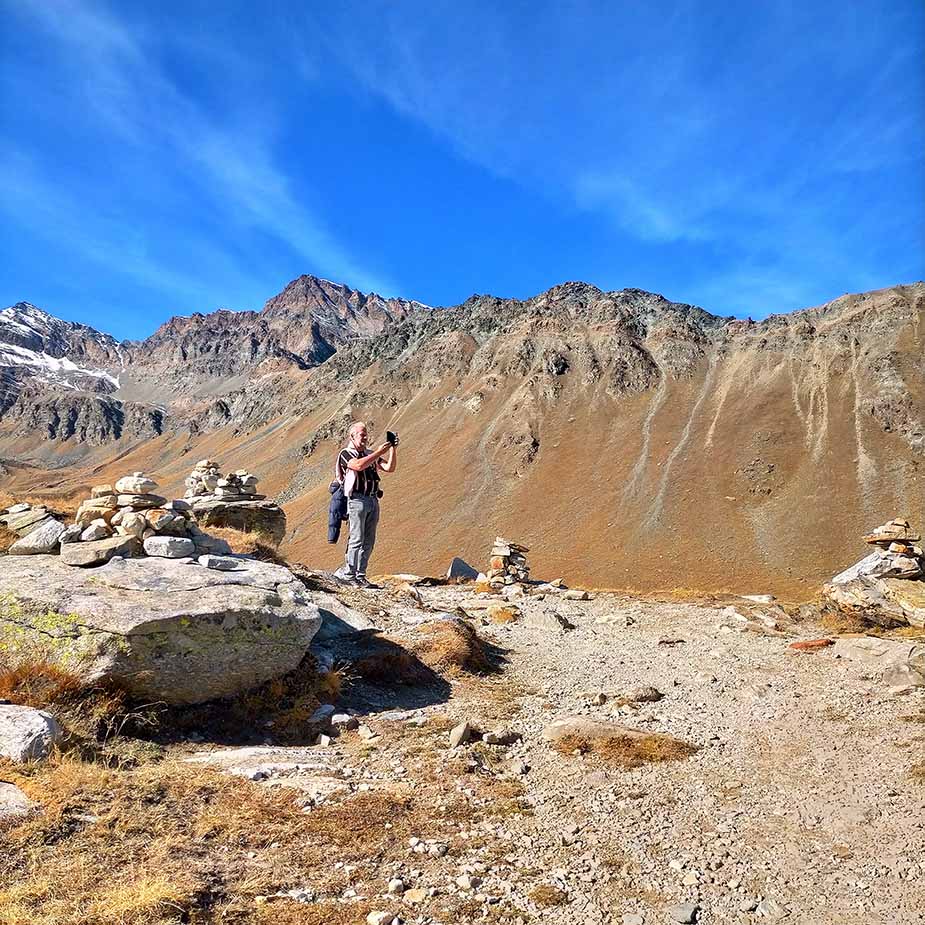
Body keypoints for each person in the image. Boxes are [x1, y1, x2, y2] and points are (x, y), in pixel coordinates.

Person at [334, 421, 397, 587]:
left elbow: (390, 468)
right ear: (352, 436)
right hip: (357, 500)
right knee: (356, 538)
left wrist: (392, 449)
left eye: (366, 434)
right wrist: (377, 453)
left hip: (373, 499)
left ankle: (360, 575)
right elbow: (358, 466)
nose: (365, 437)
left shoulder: (370, 454)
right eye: (362, 434)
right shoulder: (346, 453)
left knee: (369, 539)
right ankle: (349, 574)